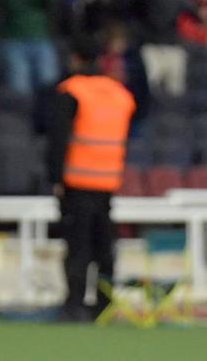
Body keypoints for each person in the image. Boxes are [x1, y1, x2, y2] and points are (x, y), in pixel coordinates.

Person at [46, 37, 136, 322]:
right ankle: (104, 304)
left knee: (78, 247)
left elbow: (57, 140)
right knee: (104, 247)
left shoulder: (72, 91)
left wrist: (55, 178)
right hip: (107, 183)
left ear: (75, 59)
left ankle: (74, 306)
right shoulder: (120, 94)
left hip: (77, 182)